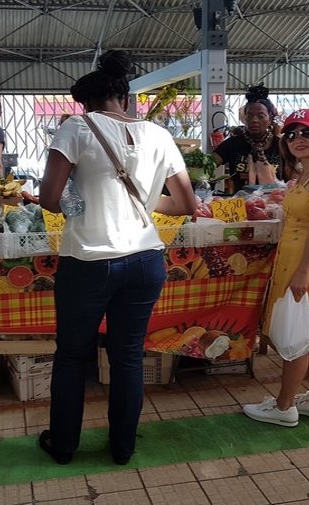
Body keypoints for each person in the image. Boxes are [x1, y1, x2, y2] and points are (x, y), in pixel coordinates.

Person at [38, 50, 196, 466]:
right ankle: (123, 448)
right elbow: (185, 204)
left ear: (85, 104)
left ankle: (64, 445)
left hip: (89, 262)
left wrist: (79, 201)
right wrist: (141, 201)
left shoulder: (76, 127)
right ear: (125, 98)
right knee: (127, 357)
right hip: (146, 261)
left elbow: (49, 199)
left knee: (72, 356)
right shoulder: (159, 134)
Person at [242, 109, 309, 427]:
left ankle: (284, 405)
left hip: (307, 261)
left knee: (298, 329)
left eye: (306, 132)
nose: (298, 139)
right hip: (295, 257)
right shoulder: (307, 172)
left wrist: (303, 270)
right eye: (290, 134)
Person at [213, 84, 283, 191]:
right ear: (245, 119)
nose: (254, 120)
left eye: (261, 116)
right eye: (249, 116)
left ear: (269, 119)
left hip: (275, 199)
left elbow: (294, 178)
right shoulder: (232, 144)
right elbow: (208, 164)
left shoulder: (281, 145)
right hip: (240, 200)